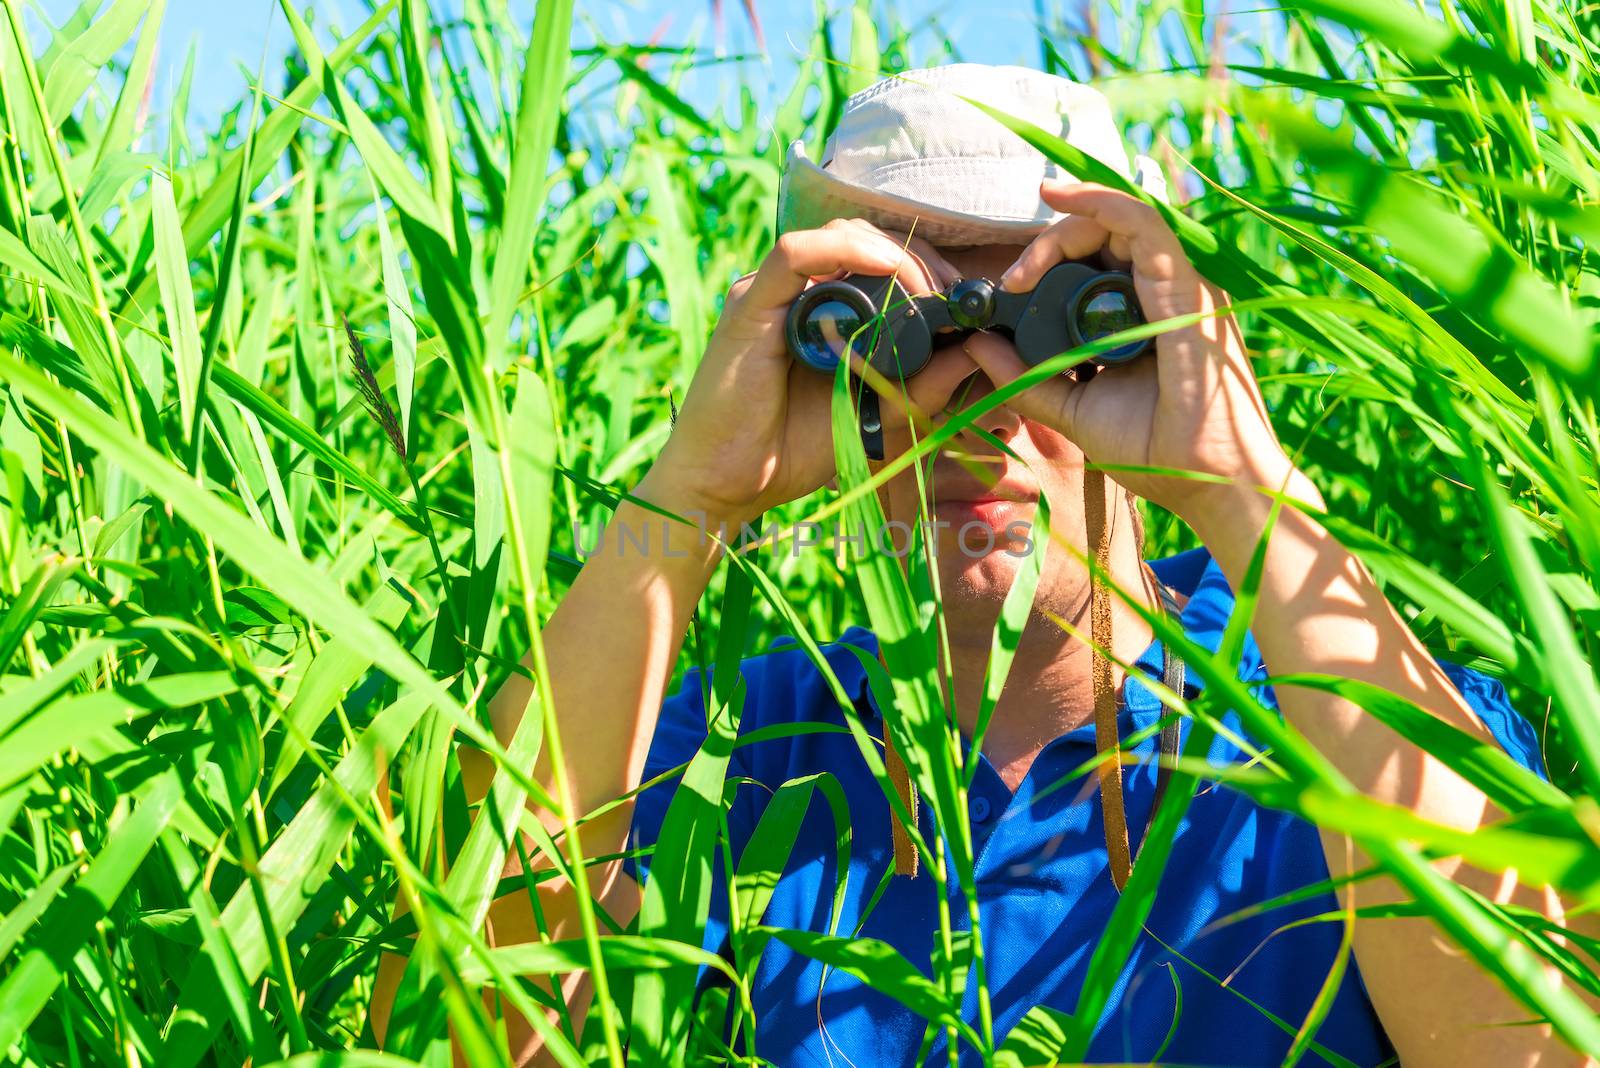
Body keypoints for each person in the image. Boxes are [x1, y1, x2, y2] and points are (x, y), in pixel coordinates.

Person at [381, 65, 1593, 1066]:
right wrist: (691, 499)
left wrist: (1241, 485)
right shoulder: (735, 763)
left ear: (1144, 334)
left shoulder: (1331, 713)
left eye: (1050, 314)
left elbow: (1536, 1047)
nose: (979, 398)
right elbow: (449, 1036)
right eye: (900, 322)